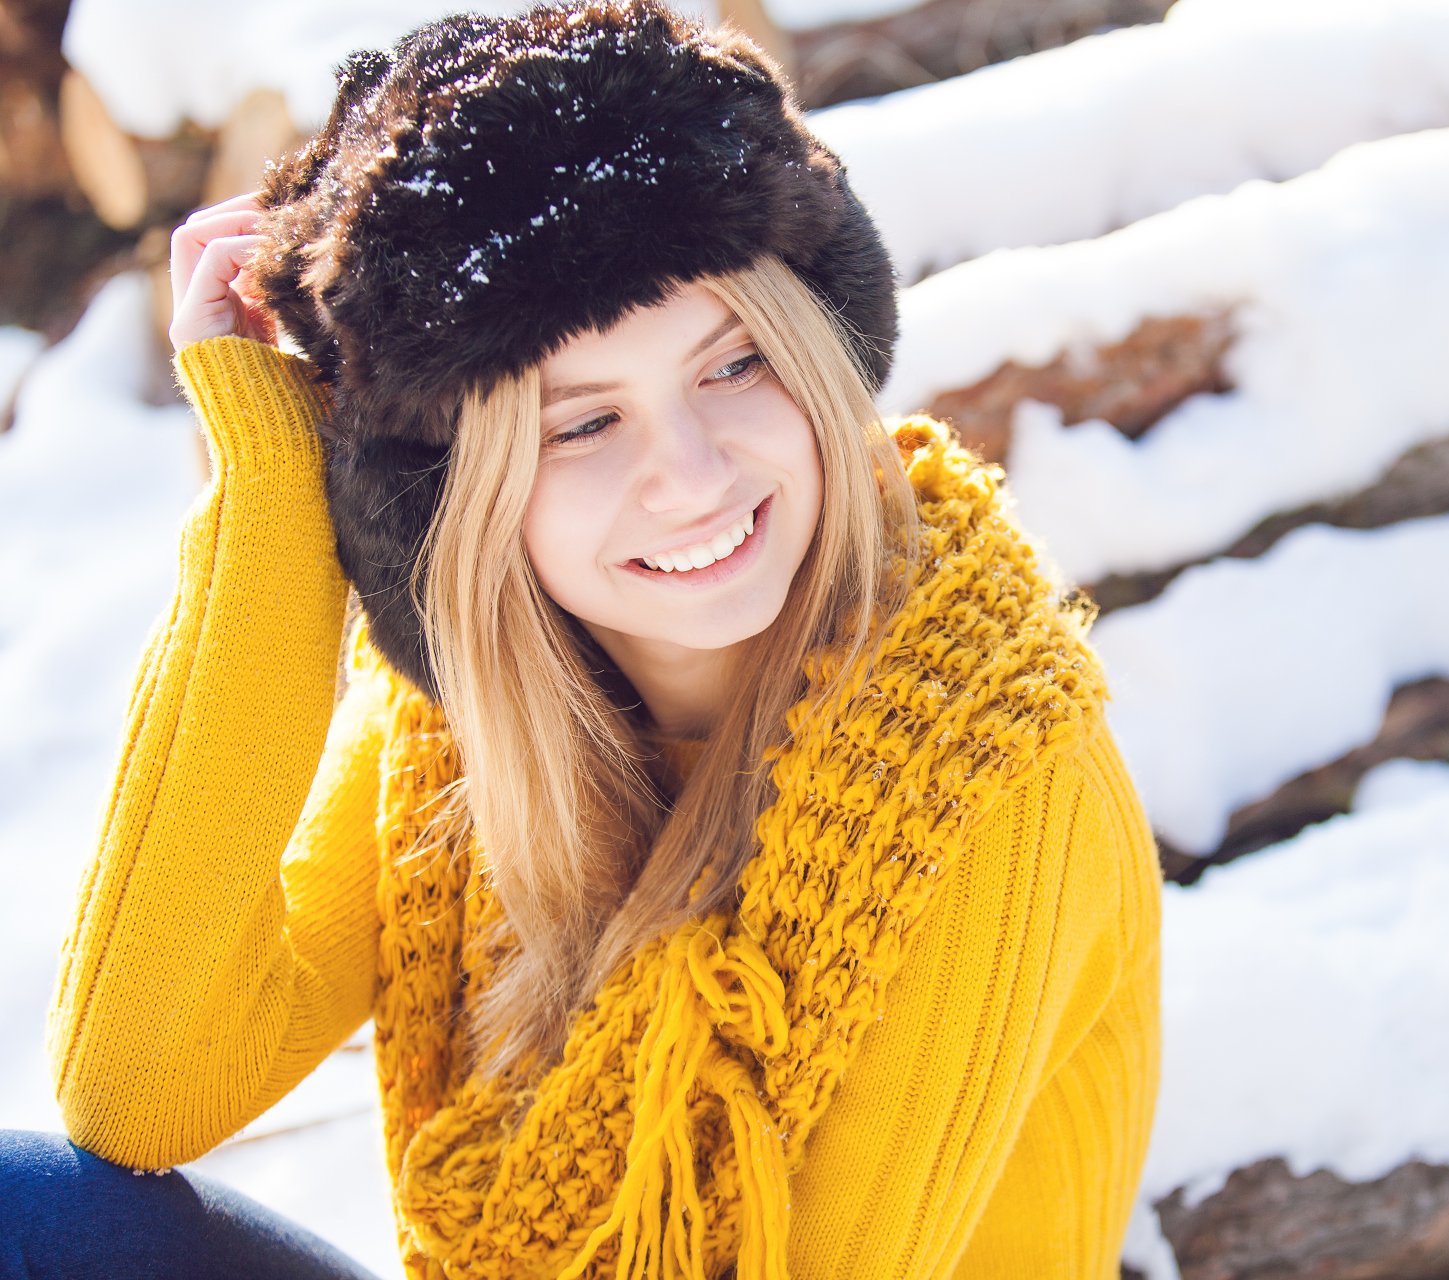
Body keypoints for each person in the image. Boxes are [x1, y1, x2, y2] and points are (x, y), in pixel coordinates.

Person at [10, 2, 1162, 1277]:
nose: (693, 478)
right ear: (457, 500)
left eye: (734, 366)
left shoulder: (987, 767)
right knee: (32, 1211)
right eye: (581, 424)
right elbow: (139, 1086)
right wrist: (276, 502)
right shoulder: (471, 718)